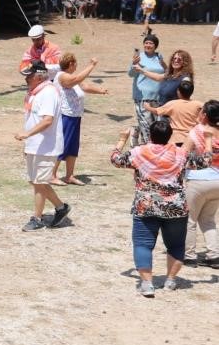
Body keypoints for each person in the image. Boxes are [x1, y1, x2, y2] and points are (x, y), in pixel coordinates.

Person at [111, 122, 213, 297]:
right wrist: (209, 139)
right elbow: (205, 161)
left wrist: (122, 140)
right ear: (170, 136)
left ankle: (146, 284)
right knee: (176, 245)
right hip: (176, 207)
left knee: (143, 244)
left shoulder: (139, 152)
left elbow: (116, 160)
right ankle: (171, 280)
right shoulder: (180, 154)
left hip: (146, 206)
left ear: (150, 135)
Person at [15, 60, 71, 232]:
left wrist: (27, 134)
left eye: (29, 76)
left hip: (46, 145)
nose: (26, 79)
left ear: (39, 77)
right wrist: (28, 142)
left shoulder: (48, 93)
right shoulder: (36, 92)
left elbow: (47, 120)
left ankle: (37, 218)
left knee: (39, 182)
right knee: (37, 181)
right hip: (35, 145)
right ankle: (61, 208)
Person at [51, 53, 108, 185]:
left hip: (75, 116)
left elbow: (85, 86)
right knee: (62, 145)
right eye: (75, 63)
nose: (76, 65)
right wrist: (92, 65)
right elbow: (76, 80)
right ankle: (52, 175)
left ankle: (69, 176)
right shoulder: (62, 76)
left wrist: (100, 90)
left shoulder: (72, 78)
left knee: (73, 147)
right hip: (65, 115)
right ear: (71, 64)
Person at [185, 101, 219, 264]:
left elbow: (183, 153)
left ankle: (189, 255)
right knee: (208, 220)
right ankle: (214, 255)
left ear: (204, 115)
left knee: (190, 219)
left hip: (199, 180)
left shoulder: (197, 131)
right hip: (217, 182)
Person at [128, 33, 166, 146]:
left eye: (151, 43)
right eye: (146, 43)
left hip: (158, 97)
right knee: (147, 126)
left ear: (155, 46)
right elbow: (130, 74)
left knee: (156, 126)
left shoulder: (159, 57)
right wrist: (133, 64)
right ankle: (147, 150)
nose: (148, 45)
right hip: (142, 97)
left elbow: (166, 73)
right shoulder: (139, 57)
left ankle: (136, 133)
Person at [143, 80, 202, 147]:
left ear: (178, 92)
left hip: (176, 139)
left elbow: (157, 111)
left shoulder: (173, 104)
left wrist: (147, 107)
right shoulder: (198, 104)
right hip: (191, 139)